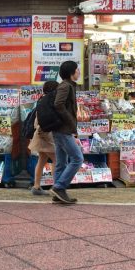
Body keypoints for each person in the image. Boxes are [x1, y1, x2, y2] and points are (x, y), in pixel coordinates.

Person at [51, 60, 82, 205]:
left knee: (61, 163)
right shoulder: (65, 86)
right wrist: (70, 120)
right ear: (71, 73)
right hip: (63, 130)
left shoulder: (68, 86)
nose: (79, 72)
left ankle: (58, 194)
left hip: (60, 130)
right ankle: (59, 187)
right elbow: (58, 104)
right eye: (77, 70)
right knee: (77, 158)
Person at [29, 81, 59, 196]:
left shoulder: (41, 100)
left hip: (40, 134)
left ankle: (36, 186)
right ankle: (57, 187)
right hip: (46, 134)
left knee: (41, 160)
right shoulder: (49, 101)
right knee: (56, 160)